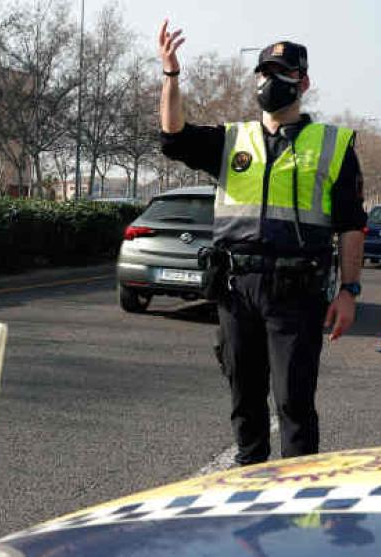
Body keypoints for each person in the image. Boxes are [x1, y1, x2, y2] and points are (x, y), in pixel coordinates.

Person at [157, 23, 366, 465]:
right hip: (236, 288)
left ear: (303, 82)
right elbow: (173, 136)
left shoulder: (333, 145)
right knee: (245, 401)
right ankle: (245, 496)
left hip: (296, 291)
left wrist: (349, 290)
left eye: (282, 72)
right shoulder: (232, 140)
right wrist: (171, 76)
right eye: (264, 73)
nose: (270, 82)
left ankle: (295, 507)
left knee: (293, 401)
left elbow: (351, 225)